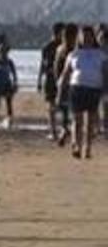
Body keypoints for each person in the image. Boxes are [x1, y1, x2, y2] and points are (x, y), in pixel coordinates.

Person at [57, 25, 106, 160]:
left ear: (93, 38)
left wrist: (105, 90)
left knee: (90, 121)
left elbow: (105, 73)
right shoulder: (73, 54)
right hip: (77, 88)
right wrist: (60, 91)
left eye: (89, 36)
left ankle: (88, 147)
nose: (87, 38)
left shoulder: (101, 55)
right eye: (84, 36)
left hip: (94, 89)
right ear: (80, 38)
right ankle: (76, 145)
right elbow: (65, 74)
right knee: (77, 119)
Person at [37, 23, 66, 141]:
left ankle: (60, 130)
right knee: (51, 105)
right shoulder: (49, 47)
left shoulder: (64, 46)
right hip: (51, 78)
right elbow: (43, 65)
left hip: (59, 77)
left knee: (61, 105)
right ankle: (54, 131)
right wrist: (39, 80)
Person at [53, 23, 80, 146]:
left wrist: (58, 81)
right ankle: (69, 133)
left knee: (66, 112)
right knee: (73, 112)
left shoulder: (61, 49)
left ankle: (65, 131)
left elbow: (56, 69)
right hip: (72, 84)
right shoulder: (75, 50)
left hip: (65, 84)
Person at [0, 45, 18, 129]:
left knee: (9, 103)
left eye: (4, 52)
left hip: (7, 84)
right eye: (1, 52)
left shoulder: (10, 62)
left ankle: (9, 121)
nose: (3, 54)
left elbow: (14, 74)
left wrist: (15, 83)